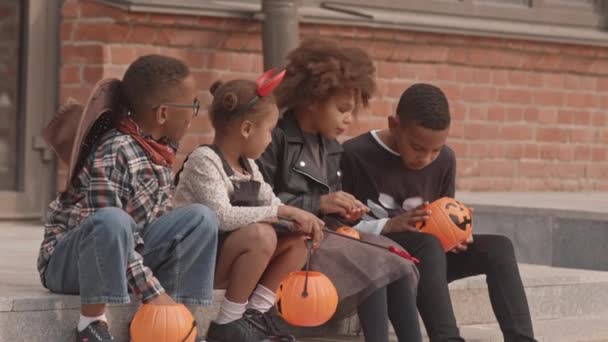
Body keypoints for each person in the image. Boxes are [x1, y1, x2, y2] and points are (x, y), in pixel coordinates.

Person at [38, 55, 218, 342]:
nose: (193, 114)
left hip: (121, 252)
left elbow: (148, 227)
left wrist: (159, 295)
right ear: (163, 113)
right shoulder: (116, 150)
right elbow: (105, 228)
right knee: (113, 219)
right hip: (70, 263)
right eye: (192, 106)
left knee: (201, 218)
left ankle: (171, 322)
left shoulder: (159, 149)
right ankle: (91, 324)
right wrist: (152, 292)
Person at [341, 83, 537, 342]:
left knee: (499, 247)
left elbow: (441, 215)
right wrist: (389, 225)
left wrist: (457, 233)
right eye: (418, 148)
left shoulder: (445, 160)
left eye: (435, 150)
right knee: (428, 244)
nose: (426, 158)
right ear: (394, 125)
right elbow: (337, 230)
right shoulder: (355, 154)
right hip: (378, 258)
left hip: (429, 261)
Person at [257, 38, 422, 342]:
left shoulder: (331, 147)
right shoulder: (275, 138)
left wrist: (347, 212)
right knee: (373, 261)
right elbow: (257, 203)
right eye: (343, 109)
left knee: (396, 257)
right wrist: (318, 202)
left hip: (327, 238)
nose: (350, 118)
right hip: (289, 244)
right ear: (311, 99)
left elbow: (331, 209)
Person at [174, 76, 324, 342]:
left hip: (232, 260)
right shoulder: (204, 160)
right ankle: (228, 322)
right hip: (199, 267)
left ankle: (255, 315)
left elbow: (272, 203)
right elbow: (221, 216)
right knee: (261, 235)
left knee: (300, 241)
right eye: (270, 130)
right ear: (246, 128)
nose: (271, 139)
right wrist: (282, 213)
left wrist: (299, 219)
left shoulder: (248, 166)